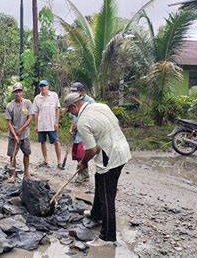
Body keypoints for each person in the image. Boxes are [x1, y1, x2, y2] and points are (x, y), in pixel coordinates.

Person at [64, 92, 131, 247]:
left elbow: (92, 149)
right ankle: (96, 214)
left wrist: (83, 162)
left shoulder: (83, 122)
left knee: (107, 196)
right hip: (121, 148)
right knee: (99, 180)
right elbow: (110, 127)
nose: (71, 115)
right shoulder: (100, 106)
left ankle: (107, 237)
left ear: (75, 106)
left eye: (70, 111)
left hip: (111, 157)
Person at [4, 82, 34, 181]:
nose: (18, 94)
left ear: (22, 92)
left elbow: (30, 118)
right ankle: (13, 174)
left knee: (26, 153)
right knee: (12, 155)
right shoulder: (10, 106)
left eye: (19, 91)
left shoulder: (27, 103)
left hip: (24, 134)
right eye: (16, 92)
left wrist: (21, 129)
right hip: (13, 135)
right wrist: (15, 135)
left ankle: (26, 172)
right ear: (14, 93)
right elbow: (8, 122)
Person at [33, 79, 63, 169]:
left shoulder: (54, 95)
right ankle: (46, 161)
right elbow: (36, 112)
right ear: (39, 88)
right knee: (42, 142)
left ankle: (59, 162)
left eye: (44, 86)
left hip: (52, 124)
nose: (43, 88)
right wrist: (36, 125)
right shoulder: (37, 98)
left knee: (56, 142)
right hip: (42, 124)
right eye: (41, 86)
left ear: (48, 86)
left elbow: (57, 109)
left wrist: (57, 122)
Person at [69, 82, 95, 182]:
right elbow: (73, 117)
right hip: (77, 133)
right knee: (77, 154)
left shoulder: (90, 102)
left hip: (86, 132)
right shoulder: (73, 101)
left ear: (82, 92)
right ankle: (83, 173)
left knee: (82, 152)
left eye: (76, 92)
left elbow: (92, 118)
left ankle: (83, 175)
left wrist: (79, 125)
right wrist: (72, 127)